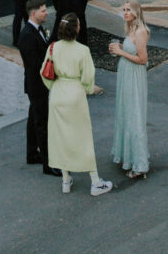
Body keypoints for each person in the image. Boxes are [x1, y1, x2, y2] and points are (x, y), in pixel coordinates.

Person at [40, 12, 113, 197]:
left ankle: (66, 180)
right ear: (76, 29)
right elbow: (88, 77)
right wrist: (88, 89)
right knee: (83, 138)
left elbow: (44, 73)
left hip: (57, 93)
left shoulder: (53, 47)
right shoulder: (83, 50)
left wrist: (55, 87)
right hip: (75, 94)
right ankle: (95, 182)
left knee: (60, 138)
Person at [17, 0, 61, 178]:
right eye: (43, 10)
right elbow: (35, 64)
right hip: (37, 85)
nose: (46, 13)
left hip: (37, 84)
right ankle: (48, 163)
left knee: (33, 119)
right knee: (42, 123)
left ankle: (32, 153)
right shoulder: (28, 35)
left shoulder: (37, 30)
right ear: (34, 13)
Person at [109, 0, 150, 179]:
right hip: (126, 74)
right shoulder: (130, 28)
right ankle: (128, 155)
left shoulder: (141, 31)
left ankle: (140, 165)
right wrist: (120, 48)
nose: (125, 12)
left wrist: (121, 52)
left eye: (128, 10)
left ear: (136, 13)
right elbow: (130, 51)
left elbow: (143, 59)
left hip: (134, 76)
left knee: (134, 115)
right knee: (125, 113)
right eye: (124, 10)